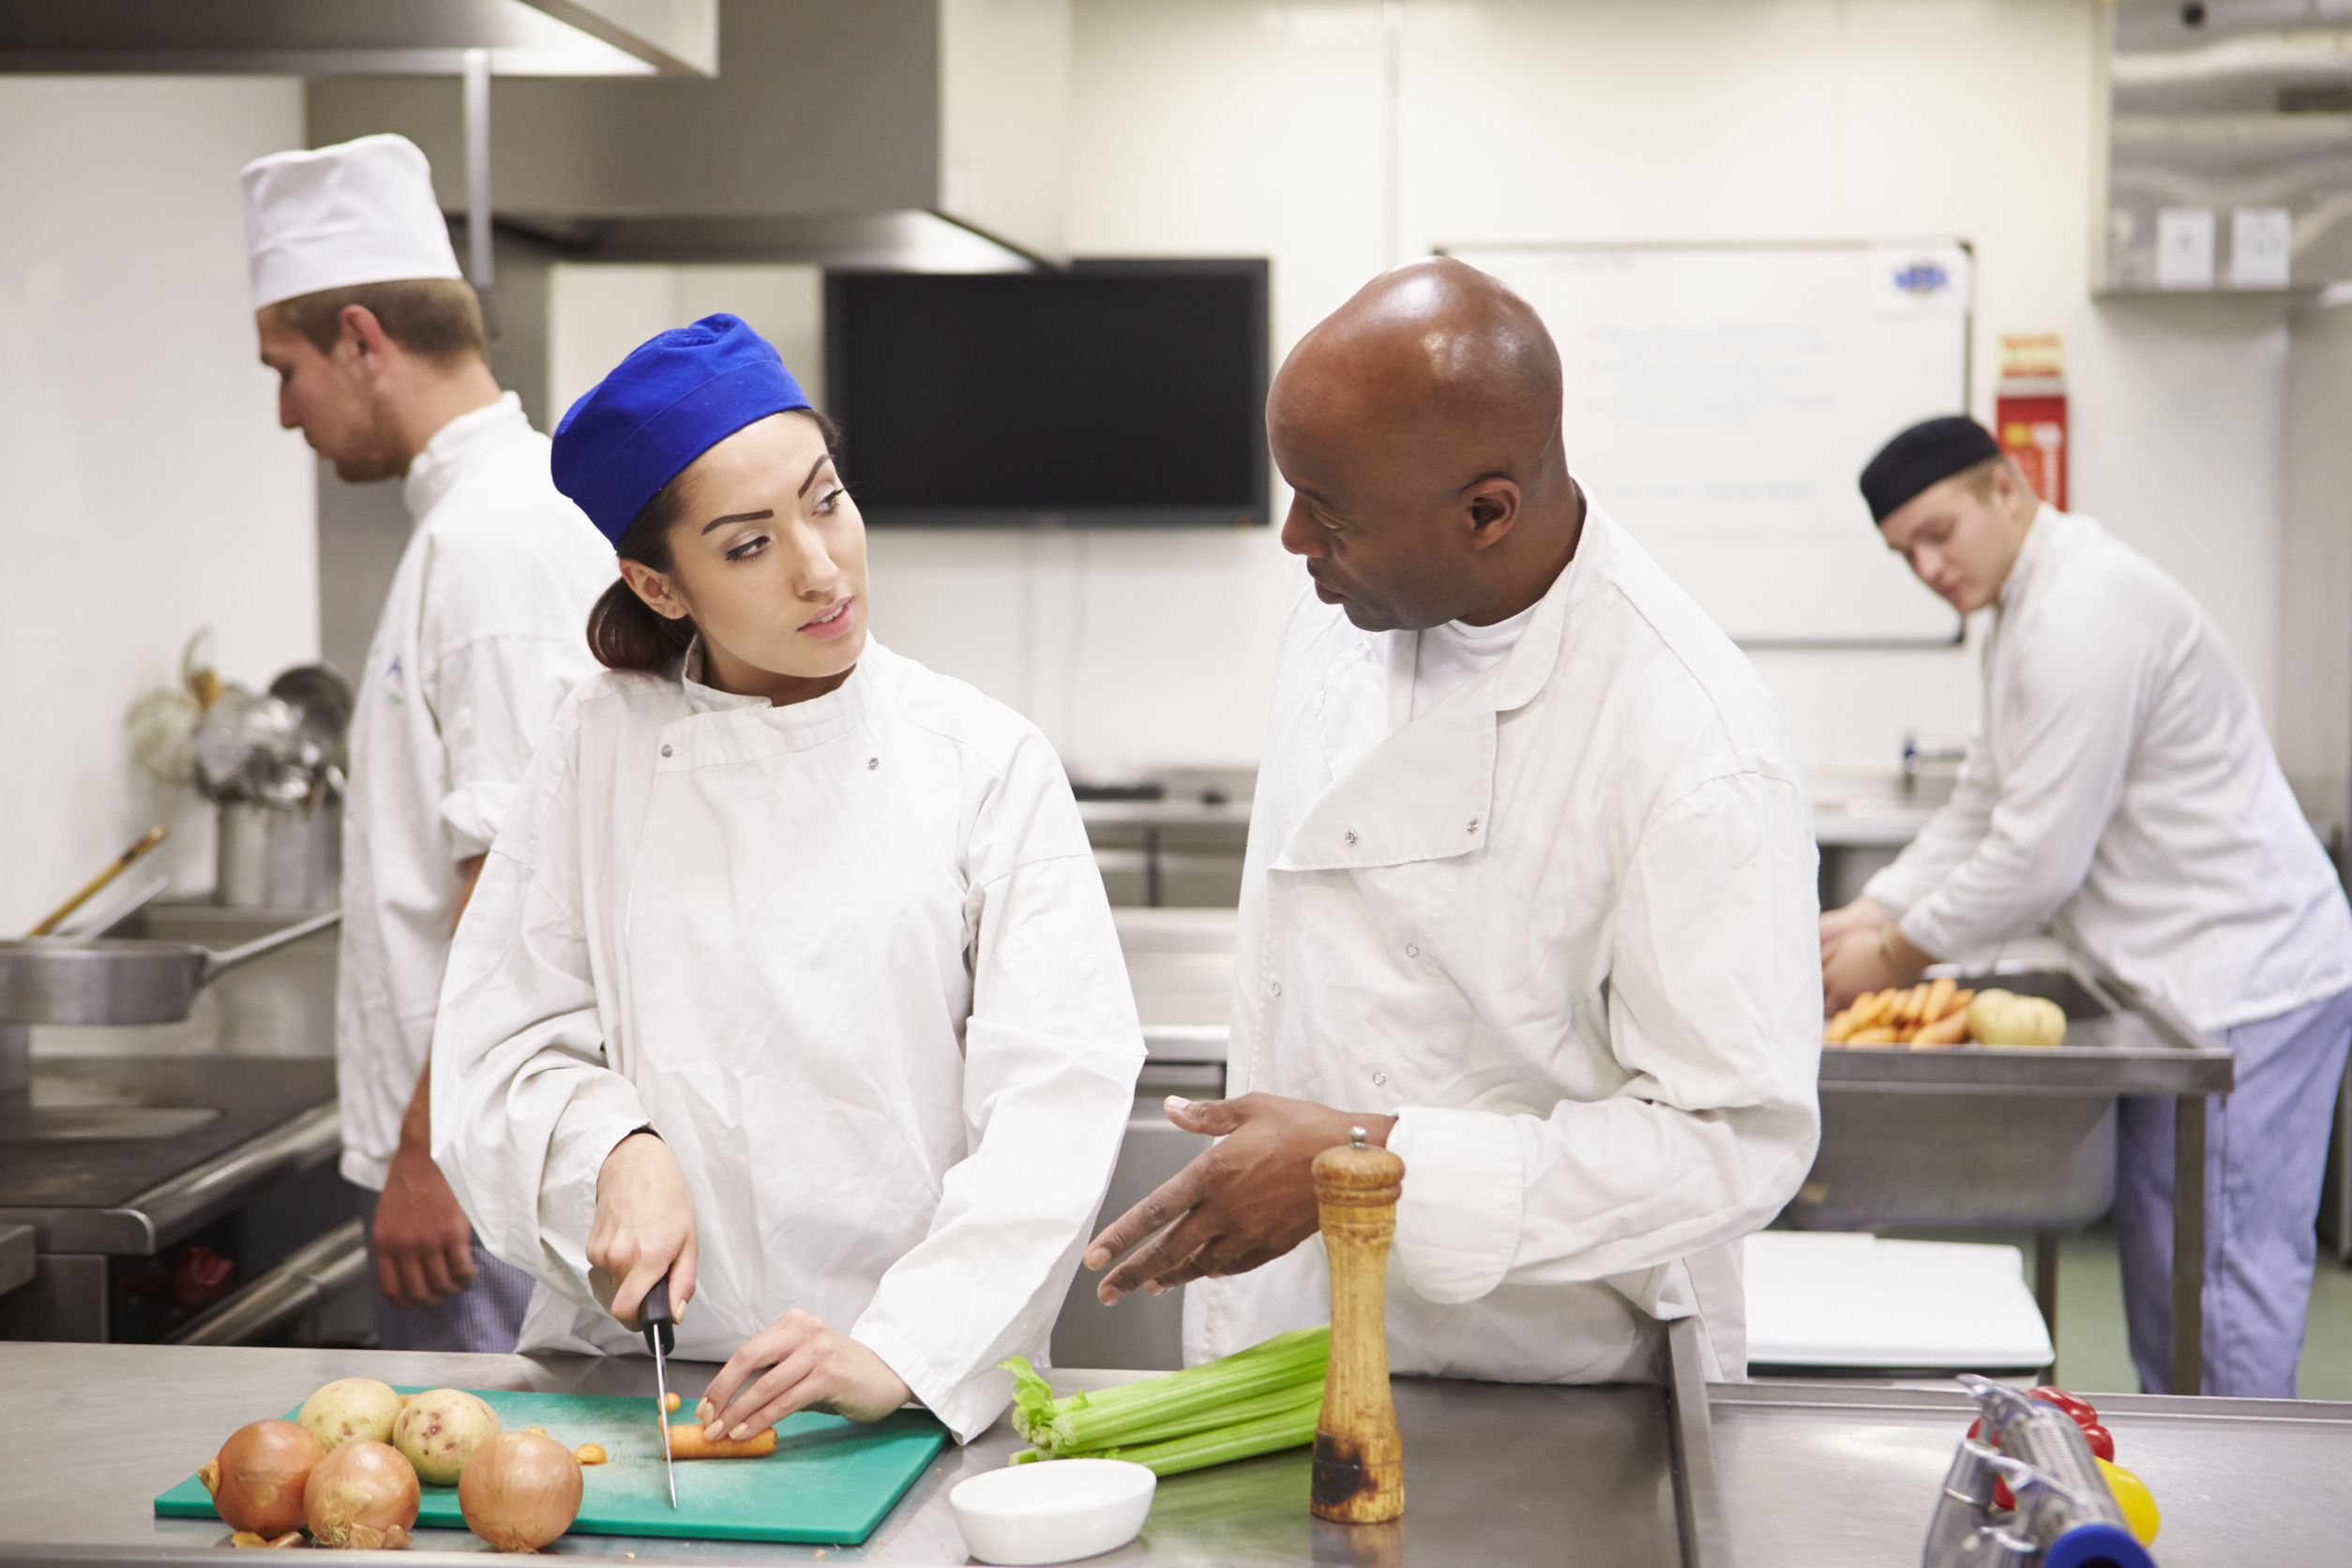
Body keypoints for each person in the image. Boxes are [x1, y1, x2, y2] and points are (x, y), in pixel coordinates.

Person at [1084, 260, 1822, 1382]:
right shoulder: (1349, 594)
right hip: (1296, 1338)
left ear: (1486, 512)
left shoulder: (1694, 740)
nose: (1291, 541)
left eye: (1325, 512)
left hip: (1544, 1376)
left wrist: (1363, 1161)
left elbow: (1732, 1144)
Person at [430, 315, 1144, 1443]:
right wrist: (608, 1151)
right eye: (748, 543)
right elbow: (501, 1050)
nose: (822, 568)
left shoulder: (980, 759)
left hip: (905, 1393)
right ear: (659, 585)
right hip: (635, 1393)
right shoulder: (595, 751)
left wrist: (901, 1349)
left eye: (826, 501)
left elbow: (1057, 1094)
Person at [1818, 415, 2352, 1398]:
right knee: (2171, 1275)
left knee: (2219, 1290)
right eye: (1906, 554)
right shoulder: (2025, 609)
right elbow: (1985, 797)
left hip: (2245, 974)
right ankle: (2192, 1495)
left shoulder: (2081, 612)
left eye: (1940, 533)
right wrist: (1868, 911)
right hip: (2180, 975)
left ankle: (2237, 1528)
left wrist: (1891, 956)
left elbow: (2037, 858)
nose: (1929, 567)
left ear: (2006, 490)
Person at [241, 133, 615, 1351]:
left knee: (480, 1510)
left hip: (477, 1166)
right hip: (474, 1140)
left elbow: (512, 884)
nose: (285, 411)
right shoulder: (493, 516)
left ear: (361, 338)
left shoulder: (493, 545)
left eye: (286, 368)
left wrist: (425, 1155)